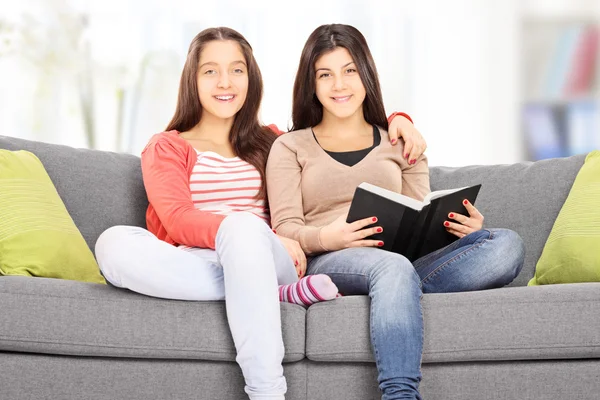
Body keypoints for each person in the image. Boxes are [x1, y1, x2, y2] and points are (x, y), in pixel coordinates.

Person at [94, 27, 427, 400]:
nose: (225, 82)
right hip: (196, 262)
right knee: (112, 244)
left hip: (271, 255)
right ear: (193, 80)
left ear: (251, 79)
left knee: (245, 230)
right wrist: (235, 234)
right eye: (210, 71)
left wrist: (398, 117)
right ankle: (277, 293)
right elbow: (177, 219)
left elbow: (331, 129)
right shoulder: (167, 146)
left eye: (237, 70)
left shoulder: (271, 141)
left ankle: (266, 391)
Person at [266, 23, 525, 400]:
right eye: (326, 74)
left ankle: (396, 293)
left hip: (401, 261)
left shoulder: (400, 141)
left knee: (506, 243)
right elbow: (286, 228)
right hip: (329, 259)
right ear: (312, 84)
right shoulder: (290, 147)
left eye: (350, 70)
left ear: (367, 75)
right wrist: (328, 237)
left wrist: (465, 231)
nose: (339, 84)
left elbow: (419, 213)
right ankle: (400, 394)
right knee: (392, 268)